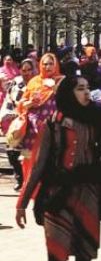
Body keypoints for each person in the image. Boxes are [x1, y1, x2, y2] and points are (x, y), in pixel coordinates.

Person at [15, 75, 101, 261]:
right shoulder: (53, 122)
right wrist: (22, 203)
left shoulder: (97, 118)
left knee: (84, 249)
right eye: (80, 89)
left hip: (88, 192)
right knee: (56, 249)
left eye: (88, 88)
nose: (86, 93)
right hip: (57, 193)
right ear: (68, 93)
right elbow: (39, 165)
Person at [16, 53, 63, 185]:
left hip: (54, 128)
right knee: (29, 161)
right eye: (44, 63)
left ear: (56, 64)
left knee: (51, 161)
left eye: (50, 63)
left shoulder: (62, 81)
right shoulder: (34, 82)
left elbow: (70, 103)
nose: (47, 66)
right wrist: (31, 102)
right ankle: (29, 189)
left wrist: (56, 90)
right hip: (32, 131)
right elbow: (21, 104)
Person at [0, 59, 34, 190]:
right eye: (24, 70)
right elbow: (9, 100)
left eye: (29, 70)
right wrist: (5, 116)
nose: (26, 73)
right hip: (16, 122)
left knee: (26, 155)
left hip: (32, 124)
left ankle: (27, 181)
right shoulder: (16, 82)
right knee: (11, 152)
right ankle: (19, 177)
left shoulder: (37, 83)